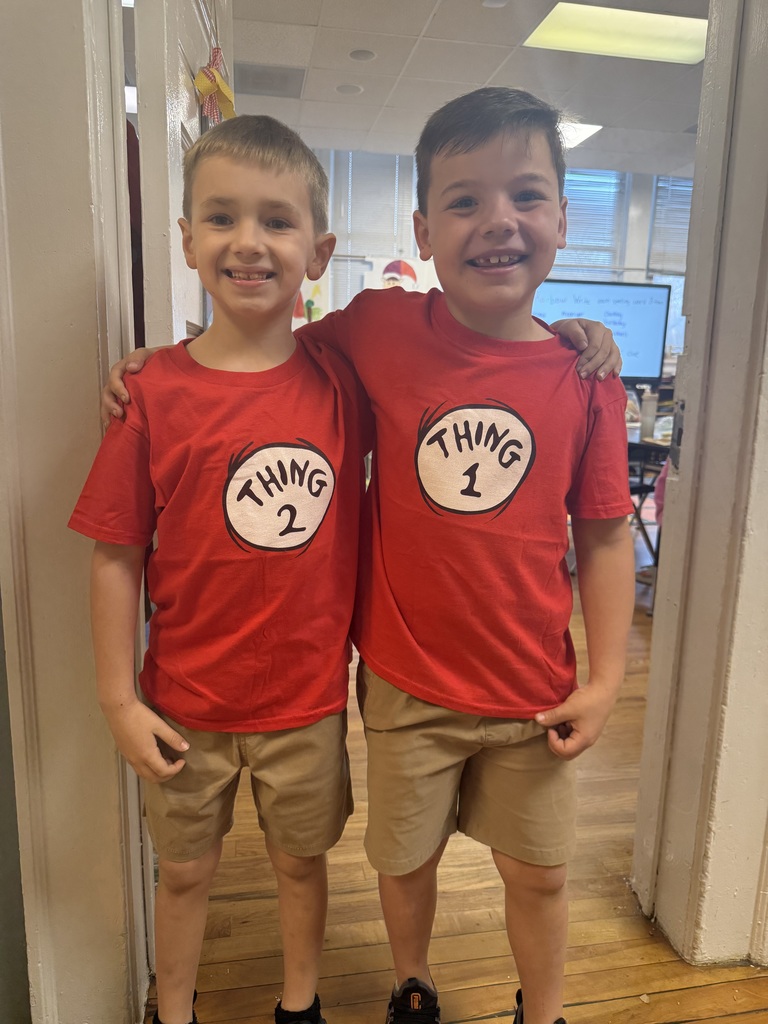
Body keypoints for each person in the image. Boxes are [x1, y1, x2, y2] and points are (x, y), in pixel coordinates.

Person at [100, 92, 631, 1024]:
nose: (498, 221)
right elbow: (258, 350)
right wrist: (156, 365)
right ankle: (409, 984)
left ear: (561, 217)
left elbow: (604, 532)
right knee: (399, 861)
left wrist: (610, 677)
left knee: (538, 875)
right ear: (422, 230)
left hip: (530, 687)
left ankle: (540, 1012)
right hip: (395, 683)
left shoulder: (584, 376)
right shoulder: (374, 332)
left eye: (526, 196)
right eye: (464, 201)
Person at [70, 115, 371, 1024]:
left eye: (277, 221)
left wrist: (571, 329)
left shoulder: (347, 378)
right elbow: (115, 554)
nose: (249, 242)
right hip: (184, 702)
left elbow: (461, 351)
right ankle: (173, 1008)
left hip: (308, 700)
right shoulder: (152, 394)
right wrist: (119, 700)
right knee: (188, 869)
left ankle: (300, 1004)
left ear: (317, 252)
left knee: (299, 863)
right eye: (223, 217)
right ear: (189, 238)